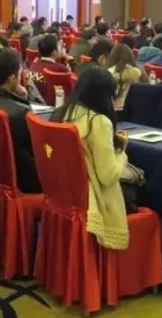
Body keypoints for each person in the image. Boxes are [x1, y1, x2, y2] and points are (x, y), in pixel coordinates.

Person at [50, 64, 138, 248]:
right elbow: (108, 177)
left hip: (64, 193)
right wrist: (122, 152)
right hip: (94, 199)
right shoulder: (98, 122)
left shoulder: (60, 114)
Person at [0, 49, 41, 194]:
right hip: (26, 182)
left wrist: (22, 99)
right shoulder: (21, 113)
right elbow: (35, 151)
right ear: (13, 78)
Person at [106, 44, 145, 111]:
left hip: (109, 109)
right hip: (131, 110)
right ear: (131, 56)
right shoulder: (137, 72)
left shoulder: (107, 73)